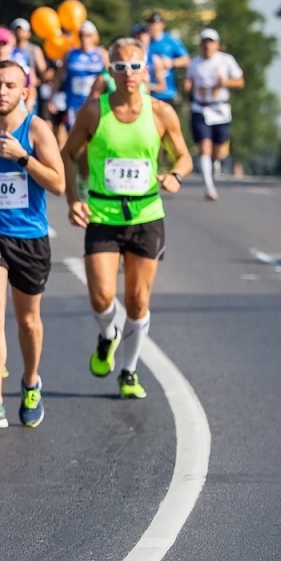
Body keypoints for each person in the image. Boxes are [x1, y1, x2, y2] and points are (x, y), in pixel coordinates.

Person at [62, 37, 192, 400]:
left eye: (135, 66)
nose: (128, 73)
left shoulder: (161, 112)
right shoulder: (94, 112)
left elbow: (183, 156)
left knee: (136, 300)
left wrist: (176, 175)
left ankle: (129, 371)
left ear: (146, 70)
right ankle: (108, 335)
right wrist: (73, 199)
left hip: (146, 214)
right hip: (103, 213)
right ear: (110, 71)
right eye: (120, 67)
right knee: (102, 296)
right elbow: (68, 154)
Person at [0, 61, 66, 429]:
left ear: (24, 91)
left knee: (28, 321)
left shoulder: (36, 129)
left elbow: (58, 184)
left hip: (29, 236)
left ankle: (30, 382)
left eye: (10, 85)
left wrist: (23, 157)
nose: (2, 91)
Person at [183, 28, 244, 201]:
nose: (208, 46)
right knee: (204, 146)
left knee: (218, 150)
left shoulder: (226, 60)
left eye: (211, 42)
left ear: (217, 44)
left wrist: (226, 82)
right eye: (205, 42)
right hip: (200, 108)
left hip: (220, 109)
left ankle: (214, 163)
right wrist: (187, 85)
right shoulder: (195, 63)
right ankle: (209, 187)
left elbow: (240, 82)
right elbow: (188, 80)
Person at [60, 22, 108, 142]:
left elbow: (110, 76)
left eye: (88, 35)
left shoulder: (102, 54)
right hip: (73, 102)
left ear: (94, 36)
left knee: (94, 134)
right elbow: (59, 76)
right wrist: (51, 97)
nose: (84, 38)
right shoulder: (70, 54)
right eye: (81, 35)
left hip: (95, 101)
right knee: (74, 134)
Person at [144, 11, 190, 109]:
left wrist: (172, 63)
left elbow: (186, 60)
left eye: (155, 23)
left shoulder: (170, 41)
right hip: (148, 93)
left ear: (162, 25)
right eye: (150, 23)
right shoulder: (145, 41)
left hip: (167, 93)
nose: (153, 27)